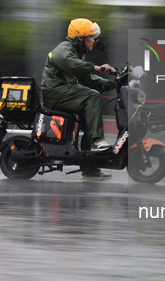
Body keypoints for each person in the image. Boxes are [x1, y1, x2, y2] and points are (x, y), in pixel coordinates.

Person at [41, 18, 116, 180]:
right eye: (91, 36)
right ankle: (97, 141)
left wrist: (112, 83)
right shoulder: (64, 49)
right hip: (55, 92)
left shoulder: (78, 54)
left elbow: (88, 78)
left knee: (90, 119)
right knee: (92, 96)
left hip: (66, 92)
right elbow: (72, 65)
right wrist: (98, 67)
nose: (94, 40)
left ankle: (89, 169)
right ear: (79, 38)